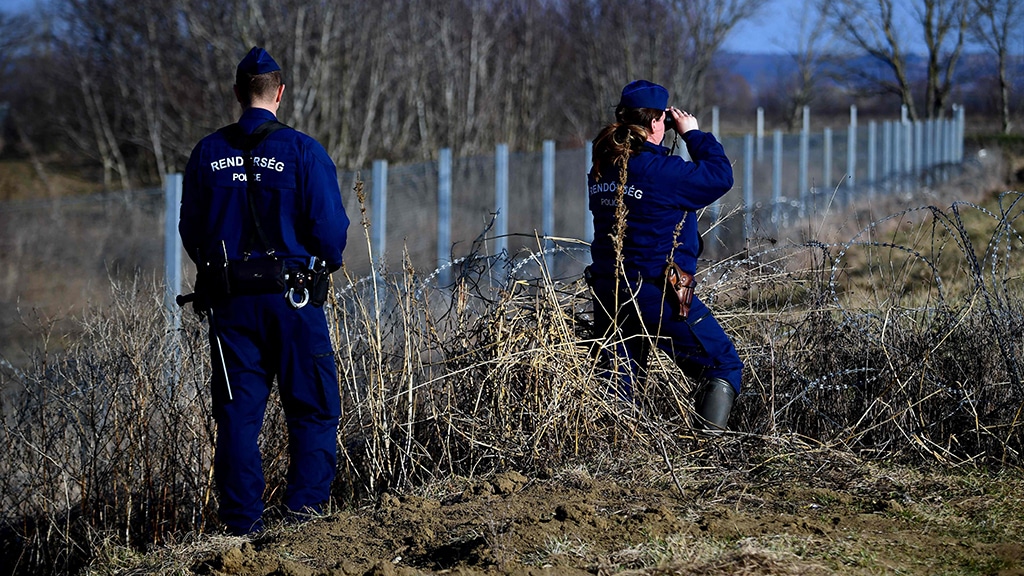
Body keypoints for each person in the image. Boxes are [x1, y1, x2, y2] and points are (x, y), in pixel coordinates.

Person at [179, 46, 350, 535]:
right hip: (293, 301)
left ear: (237, 94)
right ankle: (305, 518)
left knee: (237, 415)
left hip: (231, 306)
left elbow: (191, 229)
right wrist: (320, 265)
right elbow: (330, 232)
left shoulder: (207, 153)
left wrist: (222, 271)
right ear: (279, 92)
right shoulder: (302, 150)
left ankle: (241, 528)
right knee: (313, 408)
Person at [587, 79, 743, 431]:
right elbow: (720, 176)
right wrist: (692, 134)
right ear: (659, 122)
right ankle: (706, 453)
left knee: (619, 384)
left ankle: (613, 457)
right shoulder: (663, 172)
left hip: (609, 292)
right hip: (658, 295)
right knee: (722, 364)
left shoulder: (603, 167)